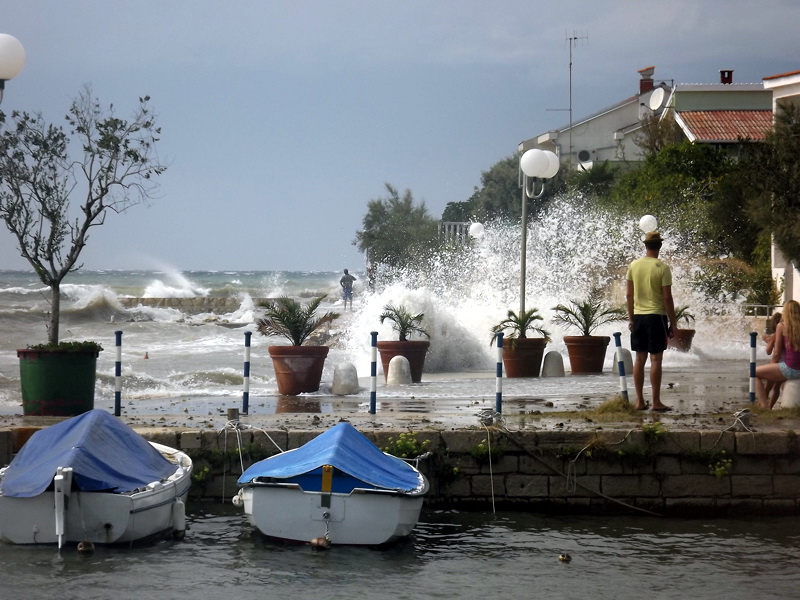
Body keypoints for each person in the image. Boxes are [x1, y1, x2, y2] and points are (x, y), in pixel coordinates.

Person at [626, 230, 678, 412]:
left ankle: (639, 401)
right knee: (656, 359)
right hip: (657, 317)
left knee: (639, 358)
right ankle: (656, 402)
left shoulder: (633, 265)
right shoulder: (662, 268)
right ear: (660, 246)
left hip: (639, 316)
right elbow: (667, 298)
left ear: (645, 246)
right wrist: (674, 323)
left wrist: (631, 317)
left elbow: (629, 295)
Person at [756, 300, 800, 409]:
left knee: (753, 373)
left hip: (790, 369)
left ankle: (764, 406)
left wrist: (772, 365)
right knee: (776, 387)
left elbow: (776, 353)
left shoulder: (781, 326)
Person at [762, 311, 783, 406]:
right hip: (785, 362)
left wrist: (768, 340)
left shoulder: (774, 335)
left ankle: (763, 405)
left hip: (775, 364)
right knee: (776, 388)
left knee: (768, 388)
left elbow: (768, 351)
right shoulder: (786, 333)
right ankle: (770, 406)